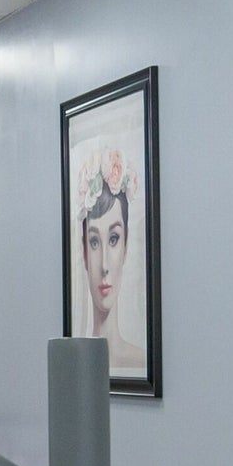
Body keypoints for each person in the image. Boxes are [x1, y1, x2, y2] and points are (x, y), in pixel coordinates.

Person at [73, 143, 138, 365]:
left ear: (126, 247)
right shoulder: (73, 364)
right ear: (83, 252)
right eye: (93, 242)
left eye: (113, 239)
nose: (104, 265)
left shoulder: (141, 361)